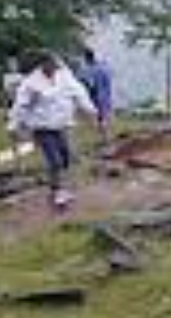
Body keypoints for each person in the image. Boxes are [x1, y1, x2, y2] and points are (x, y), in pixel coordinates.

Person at [7, 51, 96, 210]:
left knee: (66, 157)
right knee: (55, 161)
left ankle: (61, 187)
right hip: (42, 128)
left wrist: (91, 111)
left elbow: (79, 92)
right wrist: (14, 126)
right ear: (43, 65)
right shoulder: (31, 83)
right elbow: (20, 106)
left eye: (57, 65)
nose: (55, 68)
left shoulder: (65, 77)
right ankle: (57, 192)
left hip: (62, 125)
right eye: (51, 65)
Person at [76, 47, 114, 147]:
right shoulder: (104, 67)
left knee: (100, 119)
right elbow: (108, 81)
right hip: (106, 97)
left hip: (95, 97)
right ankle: (106, 139)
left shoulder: (86, 70)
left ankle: (106, 140)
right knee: (104, 117)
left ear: (86, 58)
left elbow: (87, 84)